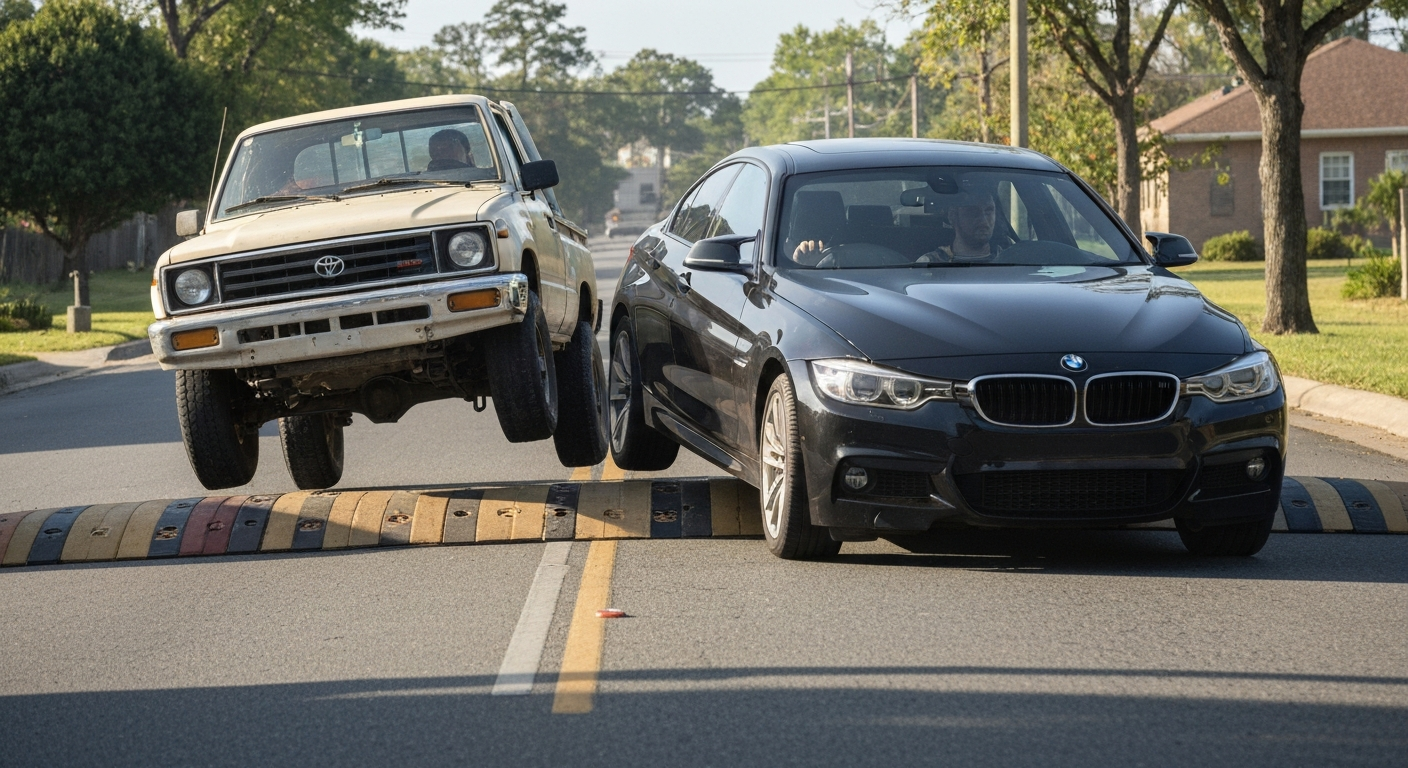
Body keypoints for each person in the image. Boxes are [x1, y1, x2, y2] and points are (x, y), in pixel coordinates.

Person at [916, 188, 1004, 263]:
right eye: (973, 212)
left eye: (989, 211)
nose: (984, 221)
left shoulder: (1007, 258)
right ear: (952, 216)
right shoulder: (930, 264)